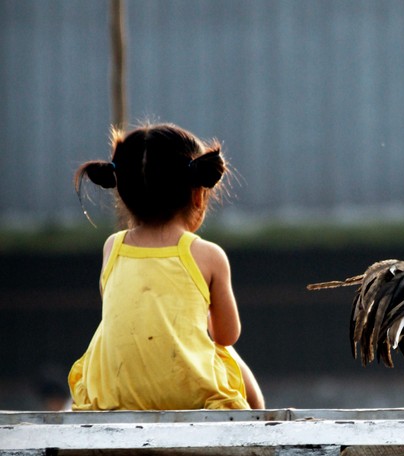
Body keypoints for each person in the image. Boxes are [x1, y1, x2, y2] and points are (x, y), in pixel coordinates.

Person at [68, 123, 264, 410]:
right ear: (198, 194)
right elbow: (227, 335)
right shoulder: (208, 255)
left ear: (122, 192)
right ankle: (260, 427)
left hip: (110, 397)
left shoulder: (112, 247)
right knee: (229, 357)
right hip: (191, 399)